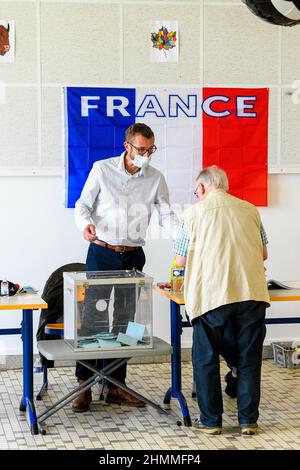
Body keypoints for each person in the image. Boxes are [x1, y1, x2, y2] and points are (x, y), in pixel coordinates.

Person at [73, 122, 178, 412]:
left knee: (126, 322)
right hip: (102, 251)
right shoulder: (102, 169)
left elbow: (166, 214)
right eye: (141, 149)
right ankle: (85, 384)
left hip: (133, 256)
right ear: (127, 146)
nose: (146, 154)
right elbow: (82, 205)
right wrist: (86, 225)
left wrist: (183, 239)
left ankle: (116, 386)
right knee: (93, 319)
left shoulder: (155, 178)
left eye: (151, 149)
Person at [175, 166, 270, 435]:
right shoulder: (250, 209)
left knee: (205, 359)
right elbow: (263, 253)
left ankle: (211, 422)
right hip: (251, 293)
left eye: (197, 191)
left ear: (202, 188)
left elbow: (181, 260)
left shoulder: (193, 213)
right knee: (249, 358)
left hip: (211, 295)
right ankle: (248, 422)